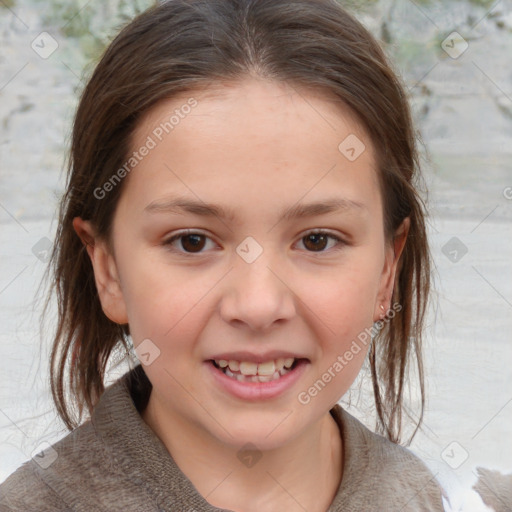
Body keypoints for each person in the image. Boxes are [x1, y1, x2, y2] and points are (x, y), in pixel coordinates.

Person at [0, 0, 447, 510]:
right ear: (108, 270)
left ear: (387, 269)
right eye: (192, 241)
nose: (258, 306)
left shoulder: (441, 499)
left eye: (317, 240)